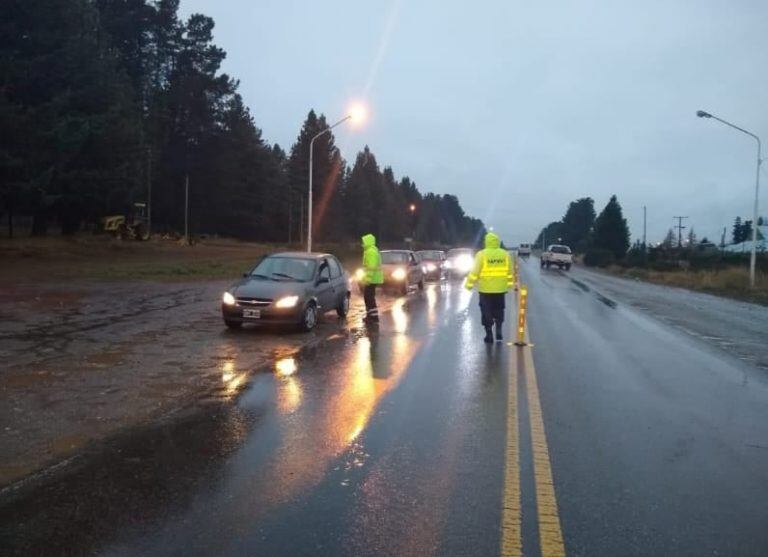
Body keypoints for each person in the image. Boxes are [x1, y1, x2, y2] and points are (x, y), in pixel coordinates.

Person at [465, 231, 514, 343]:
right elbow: (510, 272)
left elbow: (474, 272)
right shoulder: (505, 254)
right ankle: (499, 329)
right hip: (500, 290)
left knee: (486, 312)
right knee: (499, 310)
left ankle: (489, 334)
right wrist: (510, 284)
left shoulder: (481, 254)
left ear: (486, 242)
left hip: (485, 290)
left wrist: (469, 285)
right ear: (497, 242)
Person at [360, 233, 383, 323]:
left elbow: (371, 267)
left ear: (368, 242)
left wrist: (367, 280)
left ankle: (373, 317)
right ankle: (371, 316)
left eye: (363, 242)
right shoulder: (371, 250)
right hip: (373, 279)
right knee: (369, 297)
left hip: (372, 279)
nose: (362, 243)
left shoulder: (371, 252)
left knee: (369, 297)